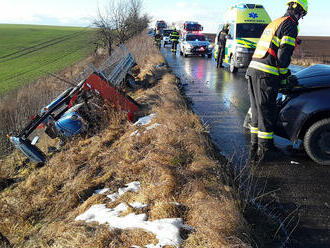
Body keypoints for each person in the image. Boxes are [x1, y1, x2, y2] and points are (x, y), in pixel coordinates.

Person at [246, 0, 308, 162]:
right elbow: (282, 58)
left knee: (257, 110)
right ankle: (265, 150)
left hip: (253, 70)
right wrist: (286, 76)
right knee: (267, 111)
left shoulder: (276, 22)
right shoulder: (290, 25)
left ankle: (255, 149)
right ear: (300, 12)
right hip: (266, 74)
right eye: (302, 14)